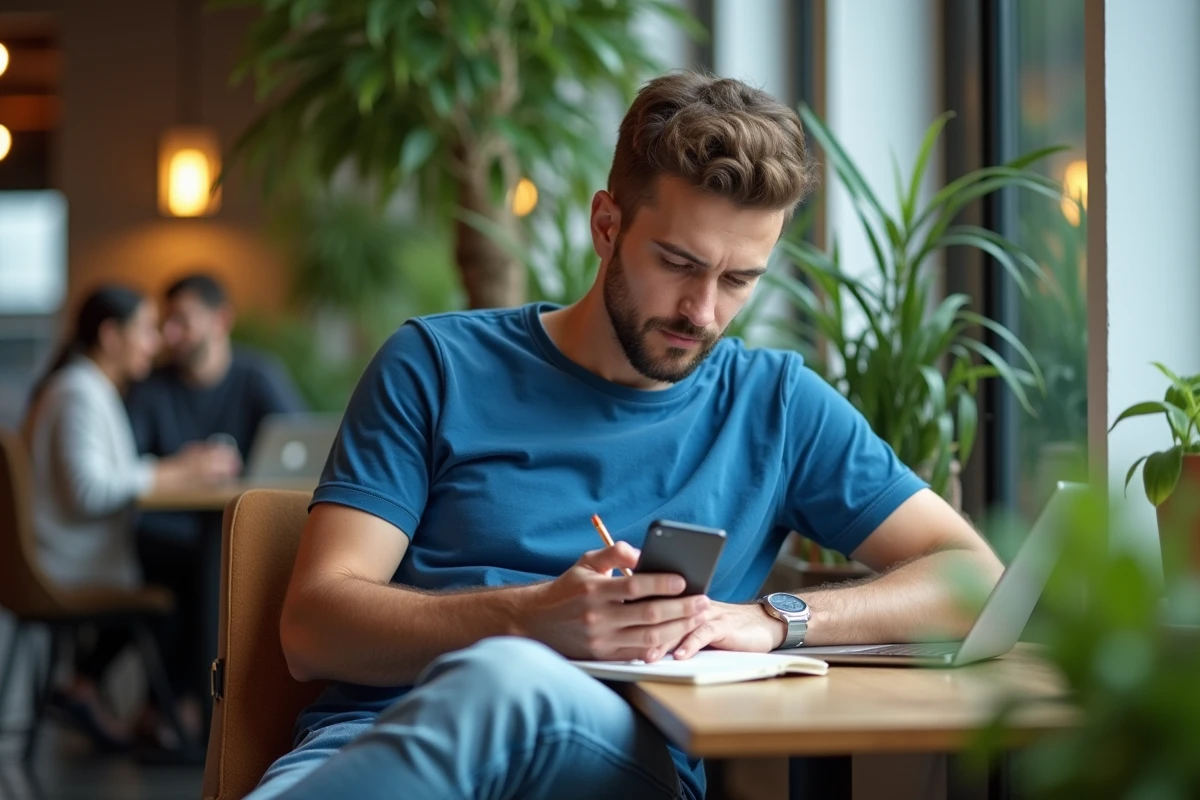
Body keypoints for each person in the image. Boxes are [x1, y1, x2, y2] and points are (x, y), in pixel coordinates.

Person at [248, 72, 1005, 800]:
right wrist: (529, 619)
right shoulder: (438, 364)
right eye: (678, 263)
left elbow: (974, 578)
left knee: (510, 682)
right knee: (502, 676)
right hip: (367, 744)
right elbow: (312, 631)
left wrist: (777, 620)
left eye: (738, 280)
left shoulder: (775, 405)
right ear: (607, 226)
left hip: (613, 763)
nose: (702, 312)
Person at [21, 285, 240, 751]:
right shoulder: (79, 393)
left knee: (188, 567)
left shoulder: (86, 387)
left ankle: (153, 708)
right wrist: (175, 471)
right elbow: (91, 490)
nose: (155, 342)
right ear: (110, 335)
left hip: (73, 551)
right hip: (71, 561)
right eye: (145, 329)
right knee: (201, 576)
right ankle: (183, 719)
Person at [123, 272, 307, 745]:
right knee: (197, 570)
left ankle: (198, 710)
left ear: (221, 319)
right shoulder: (152, 387)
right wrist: (184, 467)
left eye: (182, 321)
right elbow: (127, 468)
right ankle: (193, 709)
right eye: (167, 323)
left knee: (241, 566)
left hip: (243, 528)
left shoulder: (257, 375)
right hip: (165, 529)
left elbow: (300, 448)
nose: (170, 334)